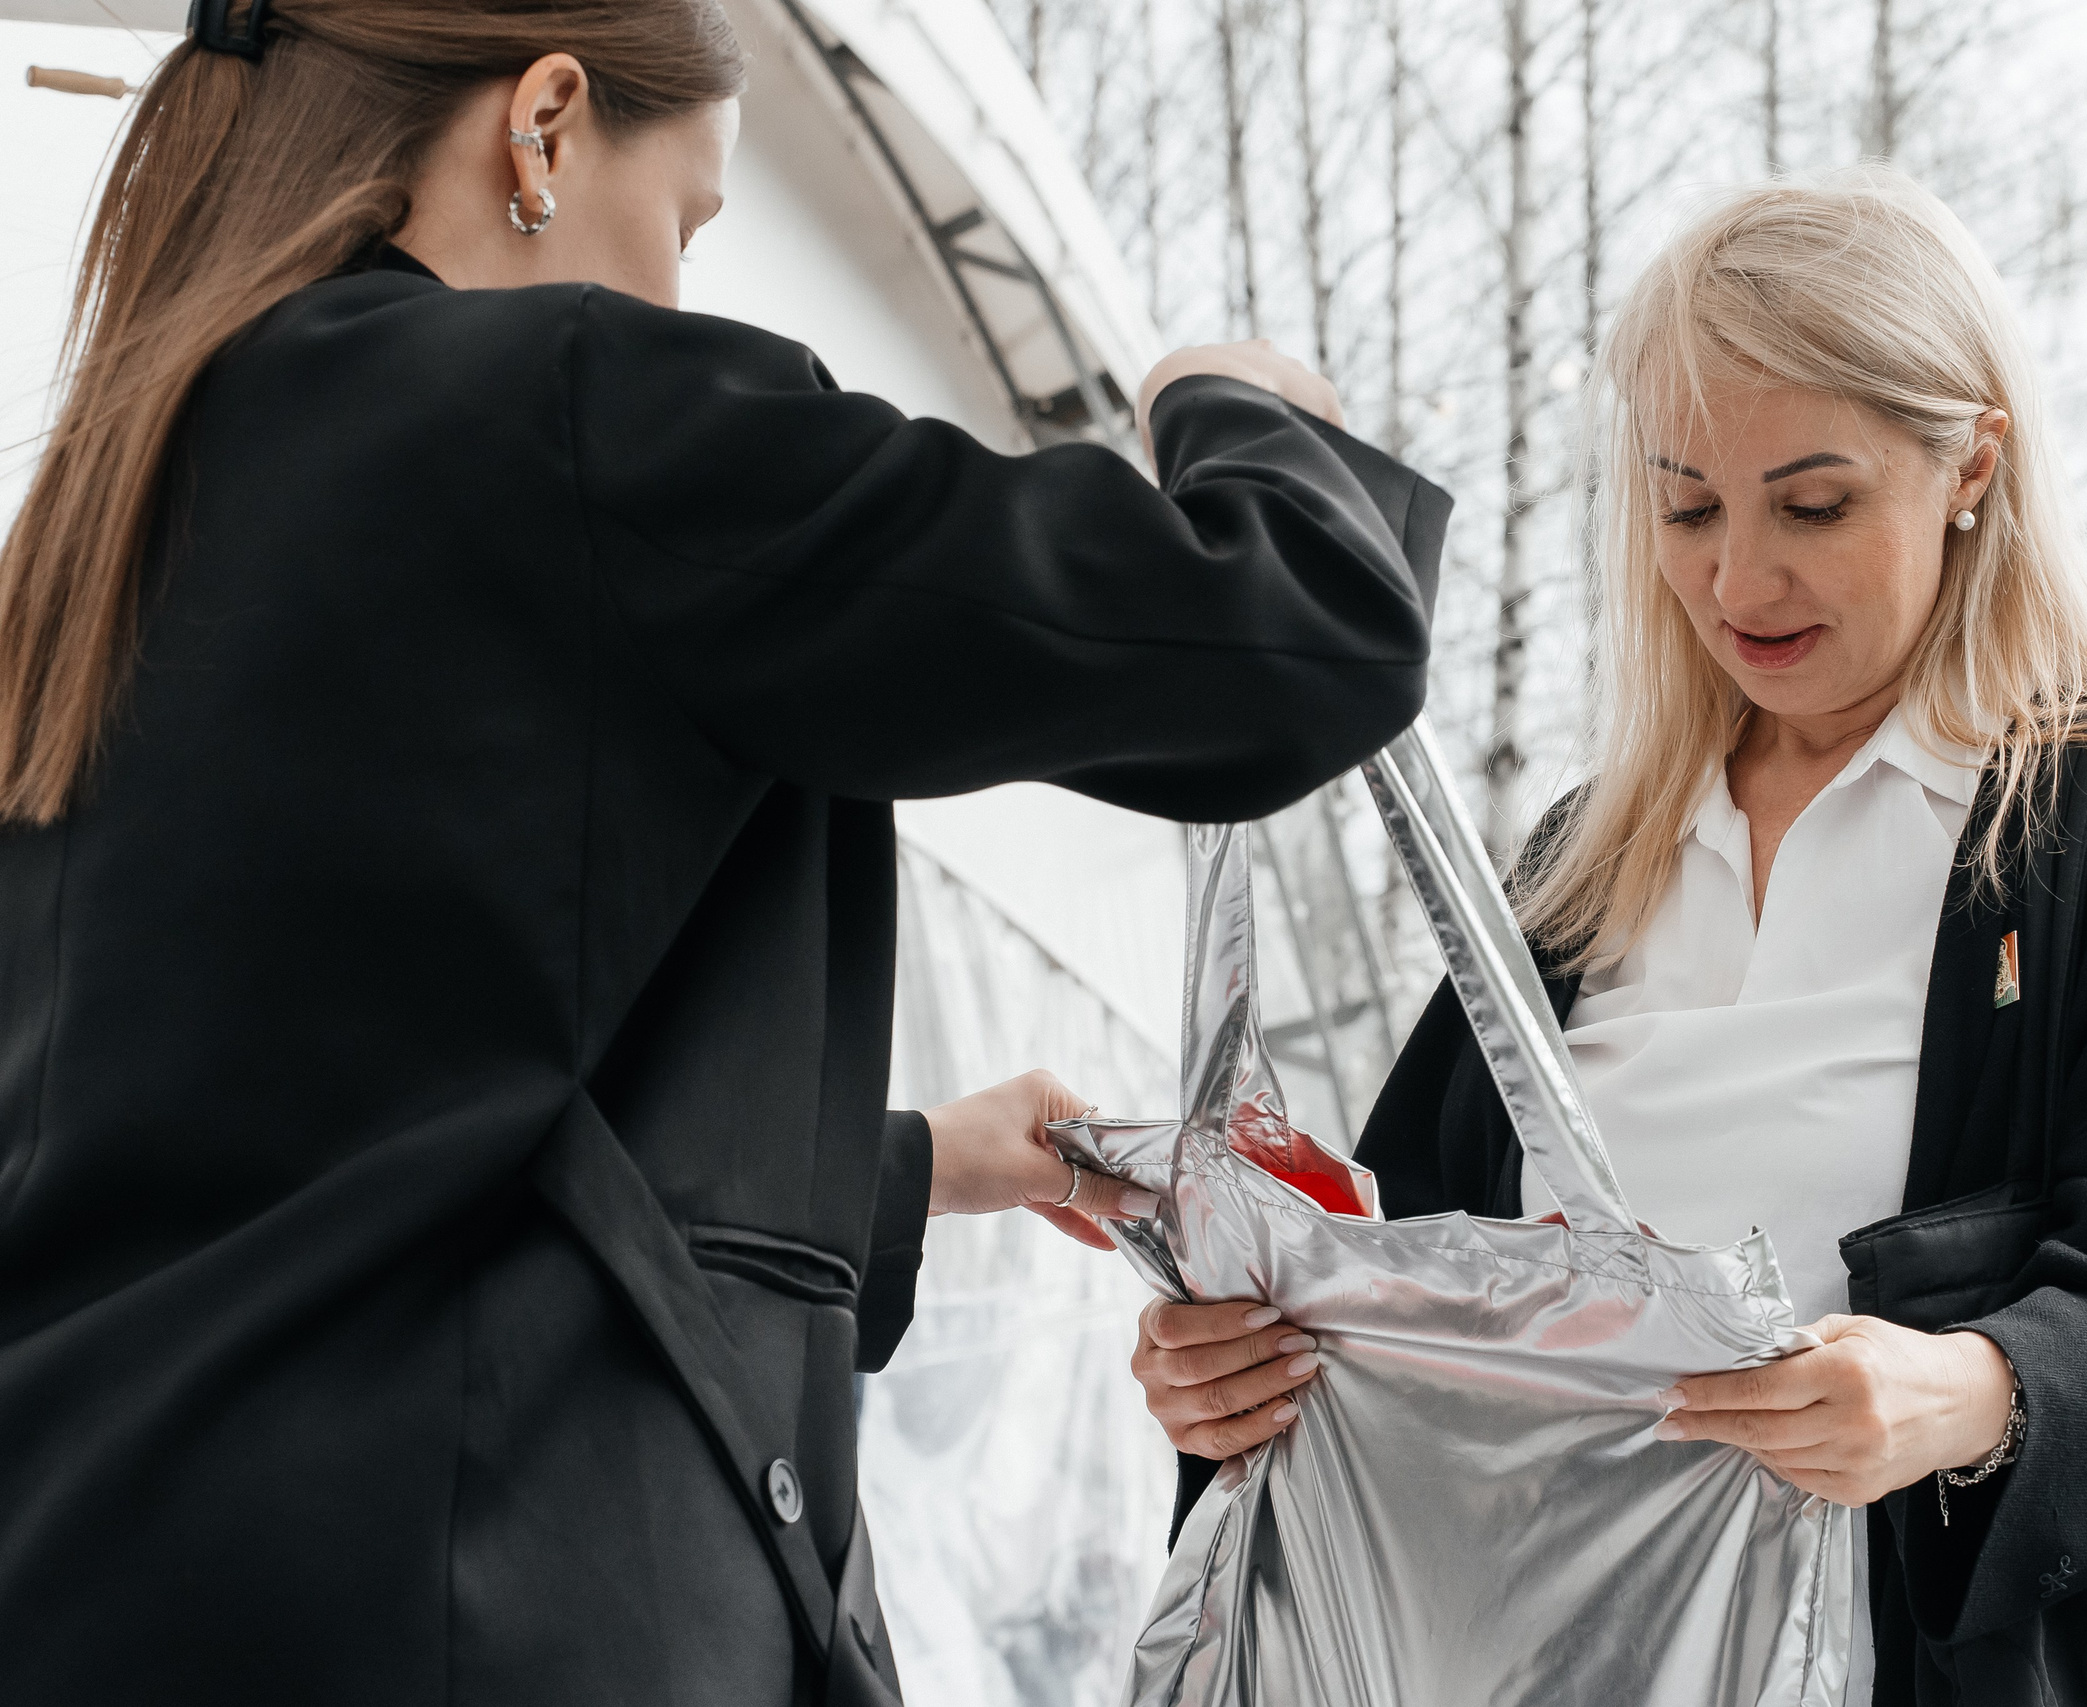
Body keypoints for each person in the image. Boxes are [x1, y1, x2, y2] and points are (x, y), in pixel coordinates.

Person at [0, 4, 1446, 1704]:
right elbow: (1287, 640)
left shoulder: (94, 527)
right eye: (687, 221)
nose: (679, 295)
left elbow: (336, 1122)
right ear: (544, 125)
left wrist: (933, 1164)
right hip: (465, 1614)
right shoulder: (575, 406)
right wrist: (1243, 411)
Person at [1129, 170, 2087, 1705]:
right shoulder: (1585, 861)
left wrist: (1969, 1388)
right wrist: (1240, 1364)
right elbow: (1401, 1266)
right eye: (1686, 504)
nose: (1736, 578)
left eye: (1814, 505)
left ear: (1972, 464)